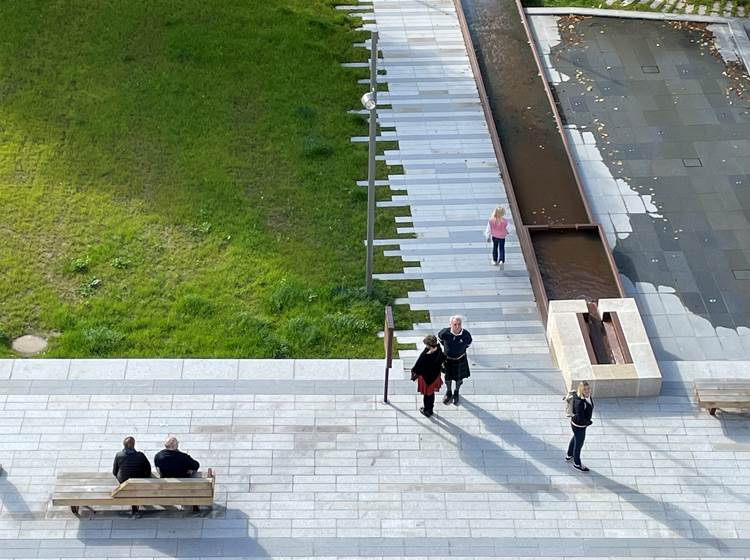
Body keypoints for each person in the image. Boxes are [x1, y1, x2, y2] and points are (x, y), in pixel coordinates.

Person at [438, 315, 472, 406]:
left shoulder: (466, 335)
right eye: (455, 324)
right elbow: (440, 339)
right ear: (450, 324)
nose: (457, 326)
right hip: (447, 361)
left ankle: (456, 392)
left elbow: (468, 344)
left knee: (458, 379)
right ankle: (448, 392)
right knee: (447, 378)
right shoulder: (444, 333)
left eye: (459, 324)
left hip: (460, 360)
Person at [112, 436, 151, 516]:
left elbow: (114, 472)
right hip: (138, 481)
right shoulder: (140, 455)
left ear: (123, 445)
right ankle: (135, 505)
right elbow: (148, 469)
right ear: (134, 445)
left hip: (123, 481)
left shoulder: (119, 455)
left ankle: (134, 505)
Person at [410, 335, 445, 417]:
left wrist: (414, 374)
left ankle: (427, 410)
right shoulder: (439, 349)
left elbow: (418, 368)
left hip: (427, 379)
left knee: (427, 396)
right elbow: (443, 358)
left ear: (429, 345)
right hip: (435, 377)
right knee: (431, 394)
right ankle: (430, 409)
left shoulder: (426, 356)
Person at [566, 381, 594, 472]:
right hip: (579, 425)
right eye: (585, 389)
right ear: (581, 390)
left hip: (578, 425)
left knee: (575, 438)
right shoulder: (580, 402)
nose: (587, 391)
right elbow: (580, 418)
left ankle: (569, 455)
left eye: (588, 388)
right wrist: (588, 422)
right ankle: (577, 463)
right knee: (579, 444)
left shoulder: (585, 397)